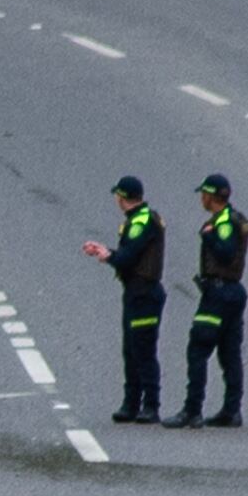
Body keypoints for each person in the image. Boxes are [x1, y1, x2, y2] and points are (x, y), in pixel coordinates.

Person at [80, 175, 166, 423]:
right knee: (131, 350)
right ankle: (131, 403)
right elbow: (128, 255)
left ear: (123, 197)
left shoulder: (142, 222)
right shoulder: (140, 219)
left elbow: (129, 257)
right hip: (135, 292)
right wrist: (108, 253)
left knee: (143, 350)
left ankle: (150, 405)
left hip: (145, 294)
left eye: (118, 196)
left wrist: (109, 256)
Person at [173, 174, 248, 426]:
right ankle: (231, 410)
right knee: (229, 353)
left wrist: (208, 235)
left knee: (198, 349)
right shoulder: (233, 218)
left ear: (210, 195)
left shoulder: (224, 222)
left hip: (218, 294)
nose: (201, 200)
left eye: (203, 195)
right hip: (231, 293)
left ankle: (192, 410)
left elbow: (226, 253)